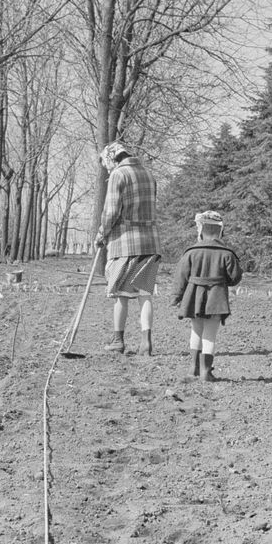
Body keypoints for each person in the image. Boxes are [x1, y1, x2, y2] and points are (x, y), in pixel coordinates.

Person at [94, 141, 162, 356]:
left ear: (112, 159)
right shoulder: (149, 175)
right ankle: (146, 341)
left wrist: (101, 235)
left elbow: (111, 211)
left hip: (125, 244)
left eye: (106, 164)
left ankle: (118, 341)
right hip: (150, 242)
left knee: (121, 295)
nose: (107, 168)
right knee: (145, 294)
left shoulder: (118, 175)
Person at [170, 211, 243, 381]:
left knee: (196, 331)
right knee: (209, 334)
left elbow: (181, 276)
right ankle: (206, 372)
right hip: (216, 298)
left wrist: (176, 296)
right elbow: (235, 277)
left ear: (201, 230)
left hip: (194, 297)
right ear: (220, 231)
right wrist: (224, 281)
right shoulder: (227, 253)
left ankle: (193, 368)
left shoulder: (191, 252)